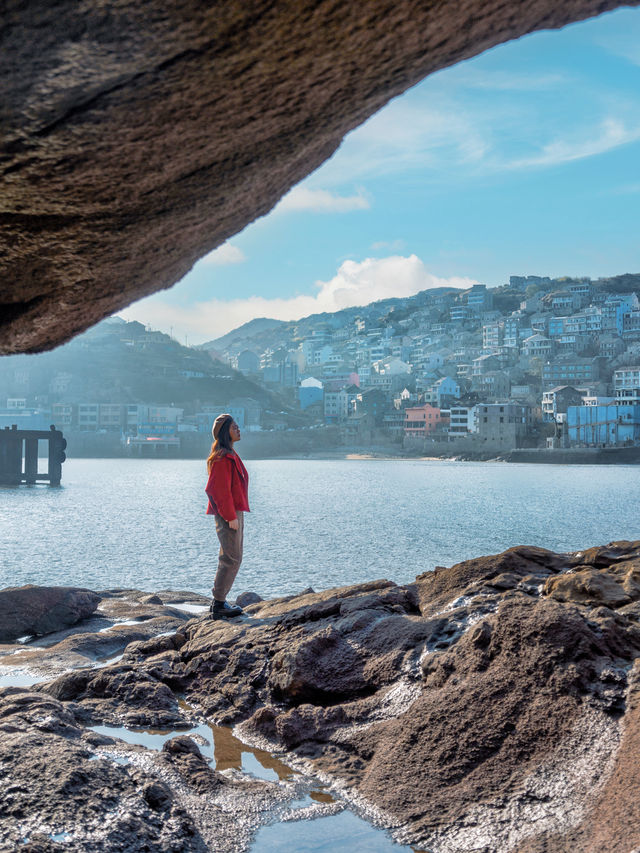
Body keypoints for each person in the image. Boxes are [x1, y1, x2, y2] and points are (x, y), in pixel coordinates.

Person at [204, 413, 250, 619]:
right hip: (228, 513)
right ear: (225, 432)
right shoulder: (222, 457)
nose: (238, 429)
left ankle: (219, 602)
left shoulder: (229, 453)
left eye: (238, 426)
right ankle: (219, 603)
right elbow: (217, 490)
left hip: (234, 511)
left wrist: (235, 514)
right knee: (231, 558)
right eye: (234, 427)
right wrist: (230, 516)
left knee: (233, 557)